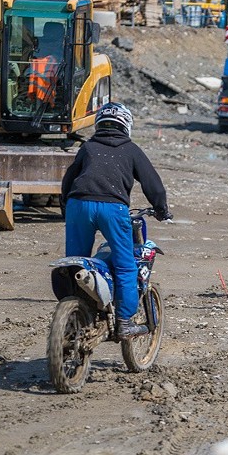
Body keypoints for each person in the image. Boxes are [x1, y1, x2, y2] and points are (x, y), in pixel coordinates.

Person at [61, 102, 172, 338]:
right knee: (125, 265)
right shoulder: (130, 149)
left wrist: (66, 207)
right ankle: (124, 322)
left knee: (76, 262)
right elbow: (154, 186)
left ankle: (75, 314)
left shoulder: (88, 147)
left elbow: (69, 179)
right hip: (112, 208)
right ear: (126, 124)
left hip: (78, 204)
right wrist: (161, 210)